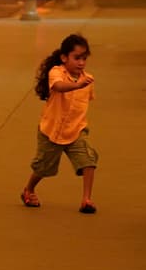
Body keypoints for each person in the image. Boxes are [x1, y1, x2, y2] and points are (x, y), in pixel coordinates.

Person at [20, 33, 98, 214]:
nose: (81, 63)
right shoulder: (56, 72)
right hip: (51, 131)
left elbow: (86, 101)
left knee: (89, 161)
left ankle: (86, 199)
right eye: (76, 58)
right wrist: (77, 86)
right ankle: (29, 189)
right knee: (43, 167)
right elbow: (58, 87)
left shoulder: (88, 80)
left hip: (76, 131)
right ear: (64, 58)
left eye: (84, 58)